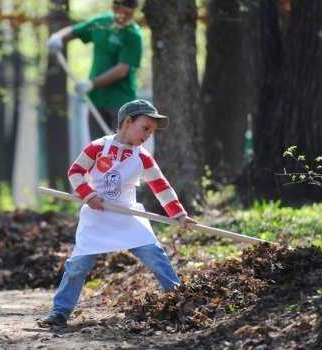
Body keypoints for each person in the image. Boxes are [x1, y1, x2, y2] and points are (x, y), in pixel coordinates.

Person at [40, 99, 197, 328]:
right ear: (128, 122)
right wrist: (89, 194)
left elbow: (160, 186)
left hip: (128, 215)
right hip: (97, 215)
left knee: (156, 257)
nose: (148, 135)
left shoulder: (143, 157)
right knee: (77, 267)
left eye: (152, 132)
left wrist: (179, 214)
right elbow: (75, 172)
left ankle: (180, 301)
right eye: (145, 128)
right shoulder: (96, 147)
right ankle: (59, 312)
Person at [47, 0, 143, 140]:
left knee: (123, 148)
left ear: (134, 10)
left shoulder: (133, 35)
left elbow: (122, 69)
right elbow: (75, 31)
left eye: (127, 11)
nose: (121, 14)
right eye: (118, 7)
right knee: (98, 148)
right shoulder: (101, 23)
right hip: (97, 99)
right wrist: (58, 37)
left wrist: (91, 84)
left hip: (121, 102)